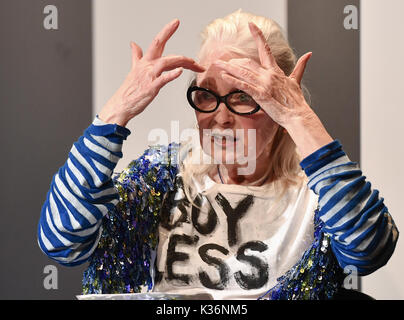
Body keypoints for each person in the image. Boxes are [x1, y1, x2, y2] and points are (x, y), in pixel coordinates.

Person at [37, 9, 399, 300]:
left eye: (244, 95)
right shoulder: (163, 176)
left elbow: (369, 250)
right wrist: (115, 113)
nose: (219, 117)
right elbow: (60, 242)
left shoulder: (317, 196)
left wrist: (299, 116)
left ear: (280, 100)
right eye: (206, 94)